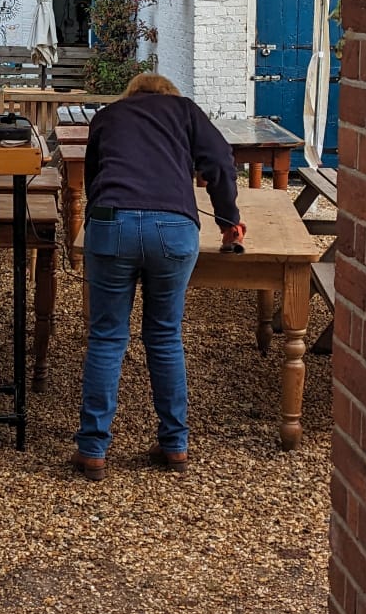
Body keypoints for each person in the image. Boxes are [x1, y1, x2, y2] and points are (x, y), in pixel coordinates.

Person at [69, 71, 244, 481]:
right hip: (174, 228)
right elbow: (219, 162)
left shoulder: (109, 116)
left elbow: (93, 177)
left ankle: (93, 449)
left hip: (112, 223)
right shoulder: (184, 111)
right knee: (165, 335)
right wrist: (227, 219)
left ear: (131, 94)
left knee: (107, 337)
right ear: (169, 94)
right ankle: (174, 444)